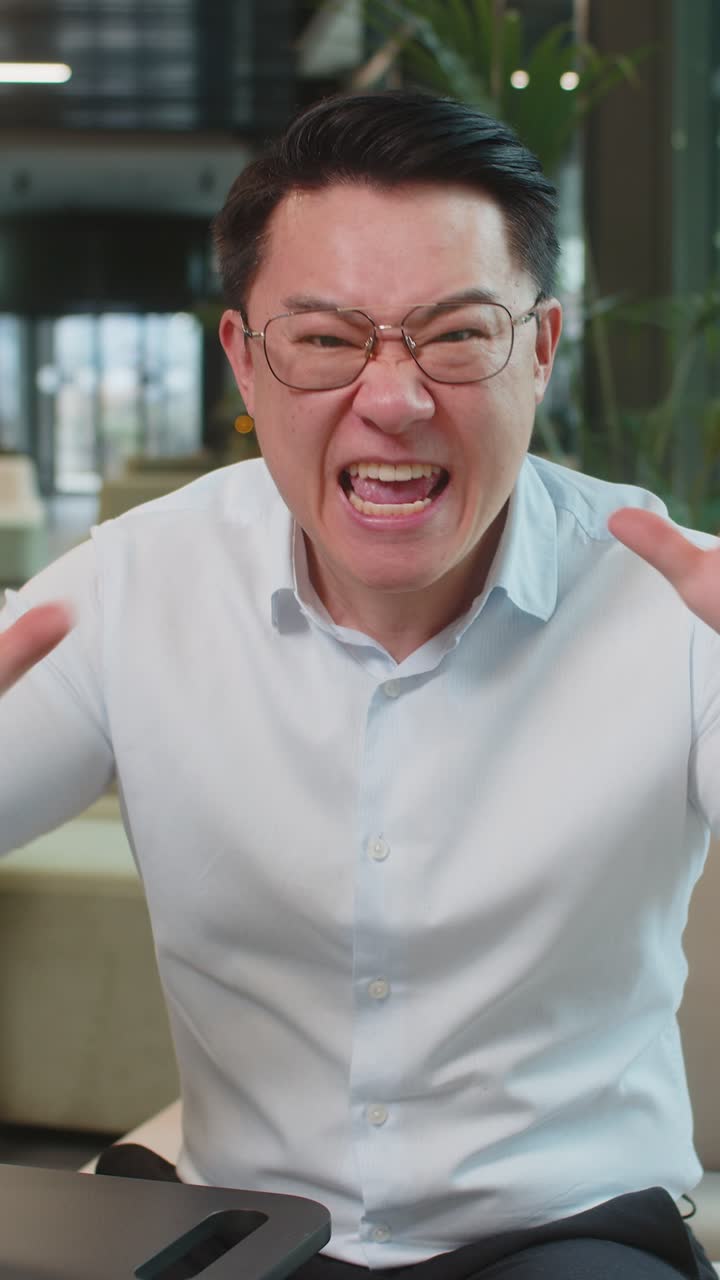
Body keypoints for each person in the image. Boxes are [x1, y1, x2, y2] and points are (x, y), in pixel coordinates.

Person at [1, 89, 720, 1280]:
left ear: (540, 347)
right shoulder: (136, 583)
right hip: (250, 1218)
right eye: (328, 339)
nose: (393, 399)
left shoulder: (672, 600)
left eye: (456, 333)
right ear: (245, 356)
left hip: (567, 1228)